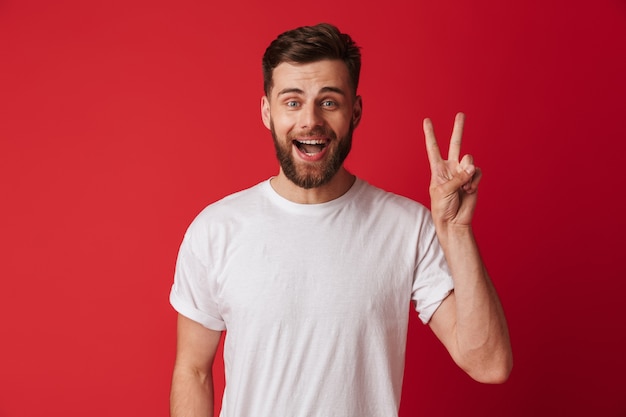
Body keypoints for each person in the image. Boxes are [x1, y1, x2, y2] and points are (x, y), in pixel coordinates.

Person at [169, 23, 512, 417]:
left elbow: (489, 364)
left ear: (356, 111)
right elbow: (193, 371)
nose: (310, 120)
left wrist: (458, 233)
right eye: (292, 102)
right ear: (267, 111)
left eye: (329, 102)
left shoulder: (407, 228)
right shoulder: (216, 230)